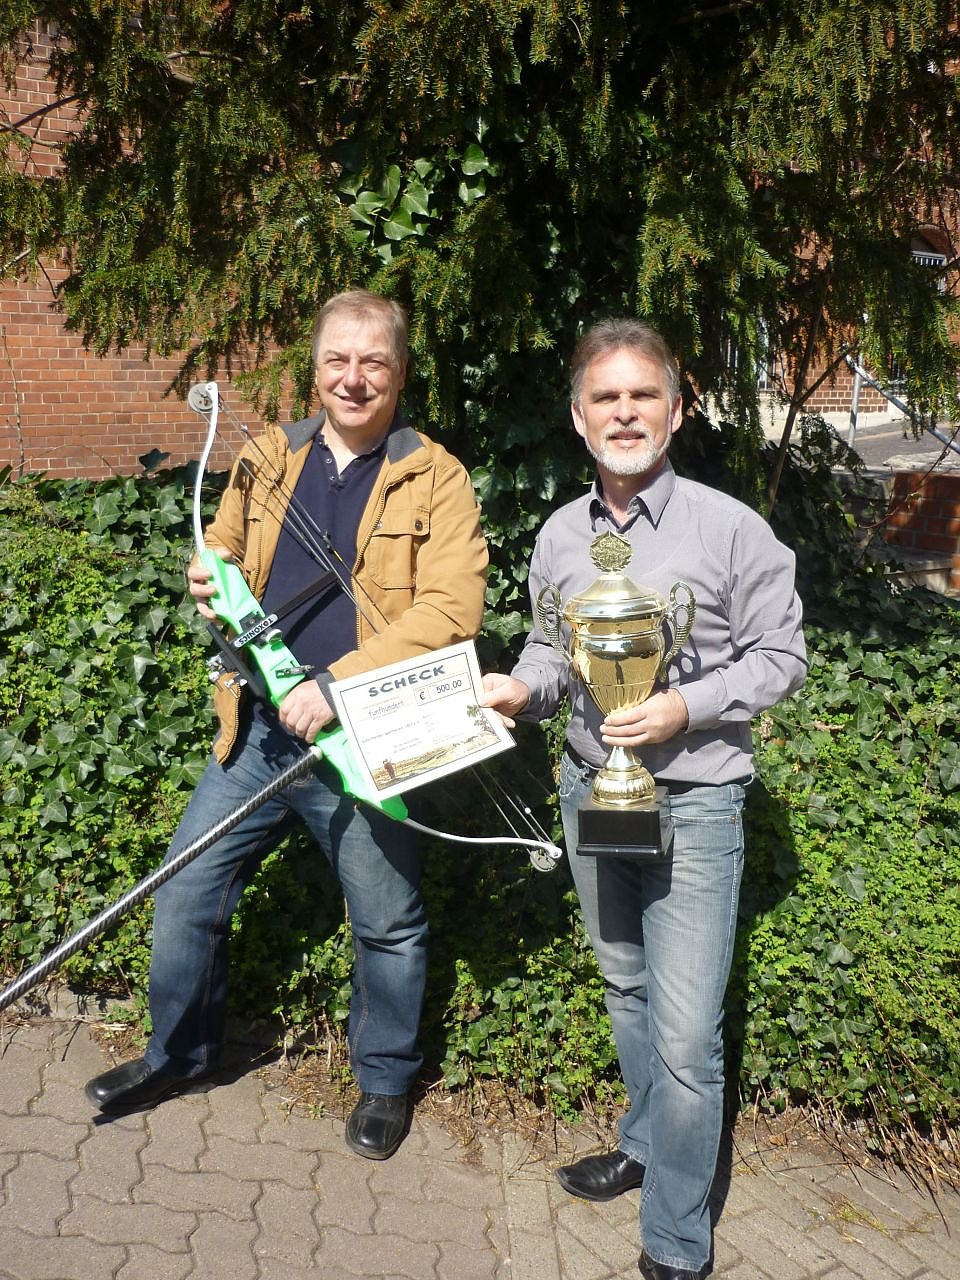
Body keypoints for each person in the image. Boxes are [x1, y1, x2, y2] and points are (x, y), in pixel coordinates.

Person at [85, 290, 489, 1161]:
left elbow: (453, 611)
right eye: (337, 359)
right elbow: (224, 550)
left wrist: (338, 685)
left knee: (386, 922)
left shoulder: (438, 476)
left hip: (362, 739)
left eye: (373, 361)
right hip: (259, 730)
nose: (353, 378)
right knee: (186, 891)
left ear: (400, 372)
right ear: (315, 369)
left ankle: (384, 1081)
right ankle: (180, 1055)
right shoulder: (268, 455)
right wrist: (207, 579)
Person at [482, 319, 806, 1279]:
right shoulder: (559, 534)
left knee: (687, 1033)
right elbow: (552, 652)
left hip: (696, 803)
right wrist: (520, 688)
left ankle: (675, 1239)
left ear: (677, 408)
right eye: (606, 397)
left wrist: (683, 707)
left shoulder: (732, 529)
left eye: (643, 395)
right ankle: (644, 1140)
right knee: (625, 983)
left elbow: (782, 658)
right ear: (578, 416)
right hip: (595, 787)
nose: (625, 413)